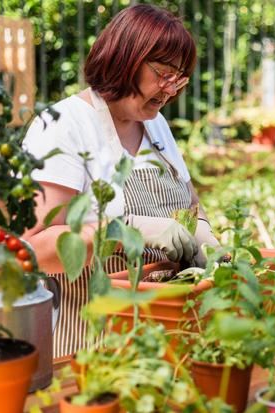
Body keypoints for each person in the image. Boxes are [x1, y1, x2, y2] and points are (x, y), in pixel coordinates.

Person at [22, 4, 219, 358]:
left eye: (180, 77)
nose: (171, 89)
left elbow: (189, 203)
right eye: (163, 73)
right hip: (94, 341)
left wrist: (205, 234)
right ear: (125, 58)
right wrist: (124, 230)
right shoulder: (63, 125)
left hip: (168, 335)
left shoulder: (156, 123)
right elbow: (35, 248)